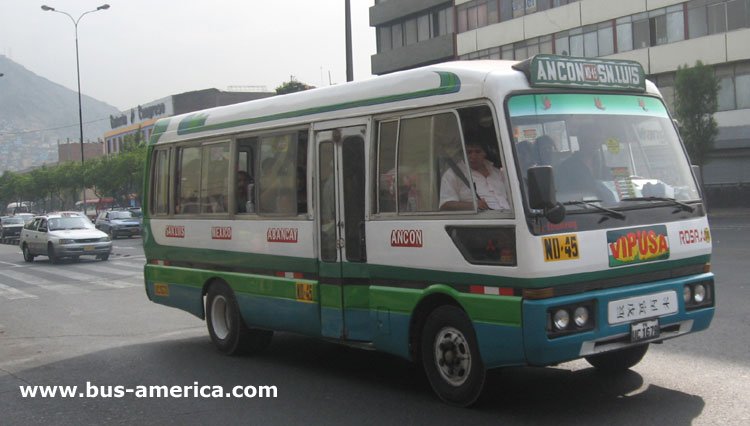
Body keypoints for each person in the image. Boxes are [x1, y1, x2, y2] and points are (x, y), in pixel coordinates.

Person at [439, 141, 510, 211]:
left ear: (484, 153)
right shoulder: (452, 174)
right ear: (463, 154)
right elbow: (445, 205)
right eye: (469, 152)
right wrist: (473, 205)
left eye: (478, 152)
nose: (473, 156)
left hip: (511, 216)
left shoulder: (497, 172)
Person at [556, 134, 616, 204]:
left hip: (613, 209)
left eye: (598, 140)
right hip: (581, 210)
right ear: (581, 141)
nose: (596, 144)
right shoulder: (566, 167)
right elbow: (563, 194)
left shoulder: (602, 166)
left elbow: (616, 186)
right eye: (591, 140)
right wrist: (591, 187)